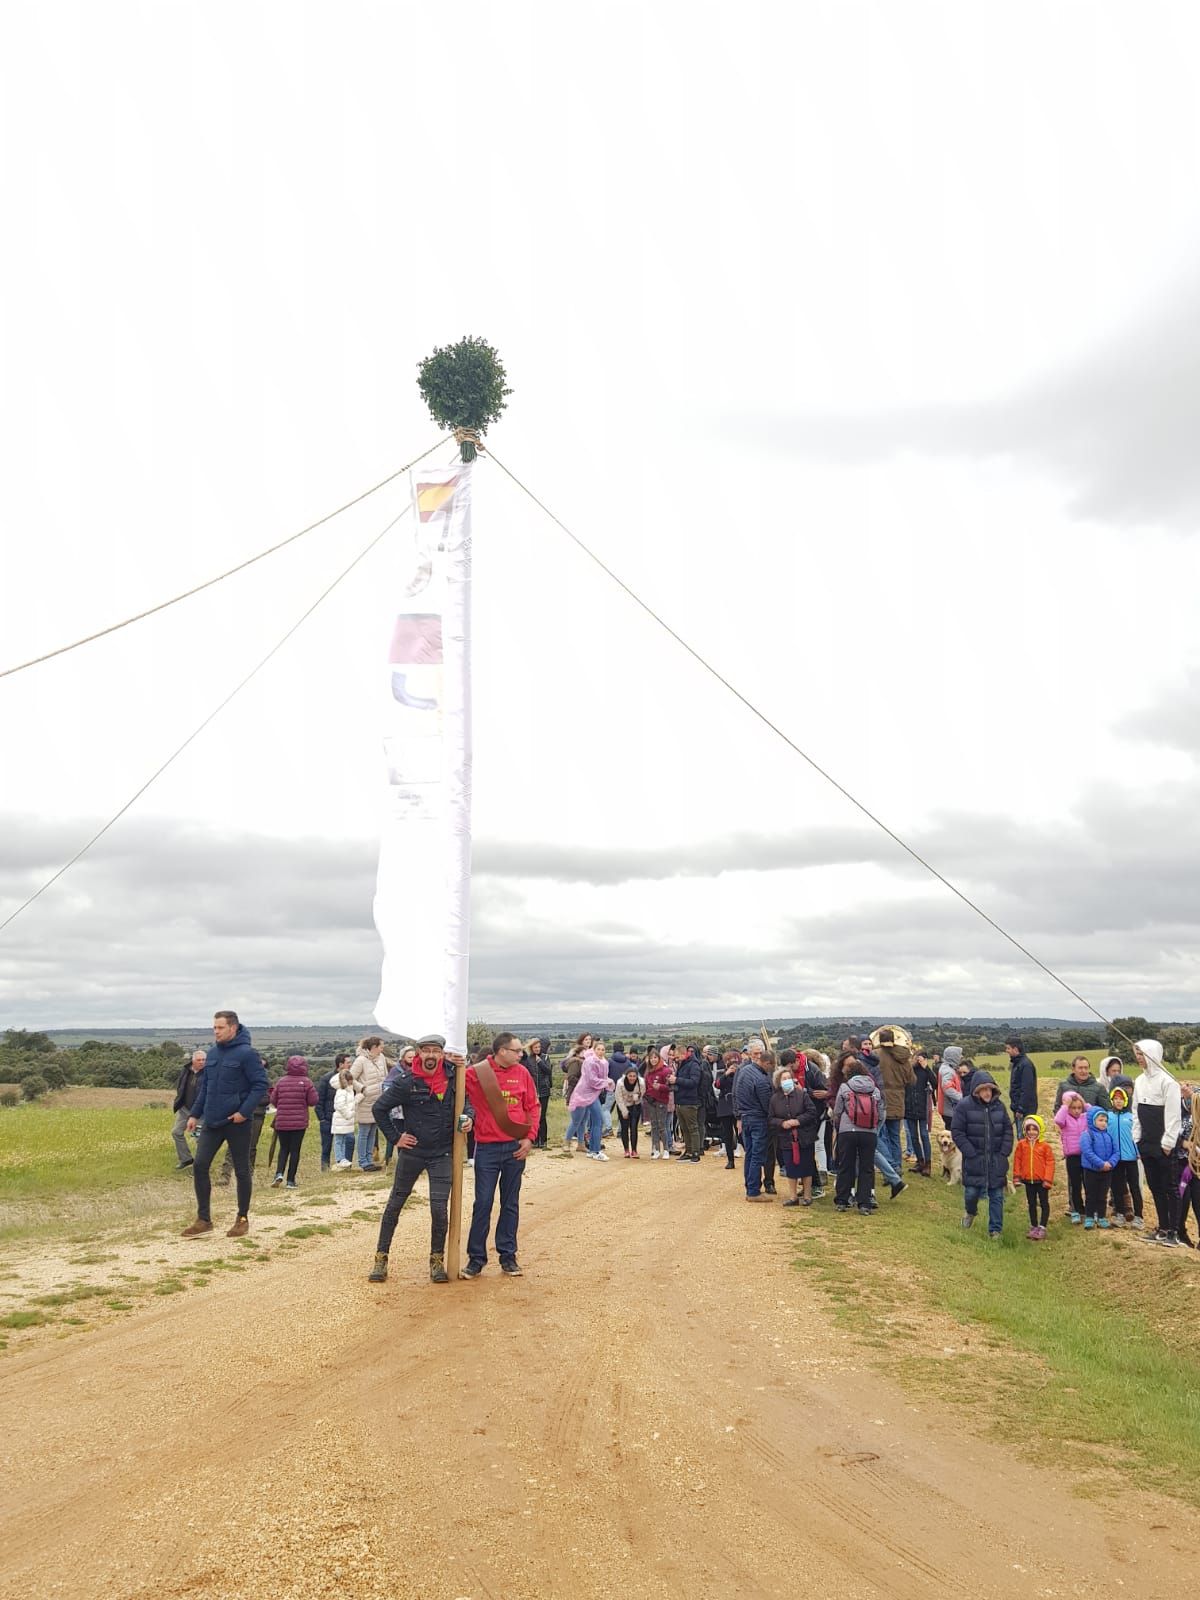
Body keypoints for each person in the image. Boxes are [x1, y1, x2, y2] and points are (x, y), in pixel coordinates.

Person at [368, 1032, 467, 1284]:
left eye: (436, 1051)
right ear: (419, 1053)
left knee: (438, 1209)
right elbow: (379, 1108)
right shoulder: (406, 1081)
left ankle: (436, 1261)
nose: (431, 1055)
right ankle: (381, 1258)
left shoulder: (456, 1076)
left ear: (442, 1053)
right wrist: (395, 1138)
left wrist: (468, 1118)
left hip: (443, 1153)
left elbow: (468, 1103)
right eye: (426, 1050)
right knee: (395, 1204)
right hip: (413, 1152)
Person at [182, 1011, 269, 1240]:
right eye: (214, 1028)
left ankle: (242, 1218)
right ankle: (204, 1220)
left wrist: (244, 1111)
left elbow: (260, 1085)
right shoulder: (212, 1054)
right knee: (200, 1165)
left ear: (233, 1028)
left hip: (237, 1122)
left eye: (220, 1028)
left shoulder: (247, 1054)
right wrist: (195, 1114)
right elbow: (207, 1088)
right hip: (212, 1120)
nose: (216, 1032)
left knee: (241, 1169)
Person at [463, 1032, 540, 1277]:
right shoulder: (476, 1074)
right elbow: (454, 1087)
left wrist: (530, 1138)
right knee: (483, 1203)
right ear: (501, 1051)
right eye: (516, 1050)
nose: (521, 1054)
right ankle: (476, 1259)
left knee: (510, 1203)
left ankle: (508, 1255)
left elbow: (533, 1107)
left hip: (515, 1148)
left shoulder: (523, 1073)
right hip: (486, 1148)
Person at [950, 1070, 1013, 1238]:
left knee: (997, 1195)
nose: (987, 1092)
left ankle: (995, 1230)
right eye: (983, 1089)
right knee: (971, 1193)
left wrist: (1003, 1153)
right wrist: (970, 1152)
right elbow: (957, 1131)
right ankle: (970, 1212)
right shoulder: (964, 1106)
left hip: (996, 1160)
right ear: (976, 1090)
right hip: (974, 1160)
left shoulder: (999, 1106)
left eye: (990, 1089)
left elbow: (1008, 1129)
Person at [1133, 1038, 1183, 1246]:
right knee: (1155, 1187)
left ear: (1152, 1055)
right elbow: (1136, 1111)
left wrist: (1168, 1143)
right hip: (1146, 1142)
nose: (1138, 1058)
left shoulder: (1168, 1082)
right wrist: (1136, 1137)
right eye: (1136, 1053)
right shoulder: (1139, 1081)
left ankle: (1174, 1231)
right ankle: (1162, 1228)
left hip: (1164, 1144)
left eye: (1141, 1053)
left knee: (1170, 1187)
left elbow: (1173, 1115)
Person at [831, 1061, 883, 1215]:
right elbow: (881, 1112)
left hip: (848, 1131)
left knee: (845, 1165)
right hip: (869, 1133)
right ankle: (864, 1203)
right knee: (866, 1168)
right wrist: (874, 1127)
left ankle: (842, 1200)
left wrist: (839, 1126)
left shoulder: (845, 1087)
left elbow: (837, 1111)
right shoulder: (875, 1089)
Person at [768, 1063, 821, 1206]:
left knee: (807, 1166)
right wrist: (782, 1123)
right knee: (790, 1168)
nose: (786, 1081)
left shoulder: (802, 1095)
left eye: (788, 1078)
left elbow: (812, 1112)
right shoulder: (774, 1099)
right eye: (783, 1078)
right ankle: (793, 1197)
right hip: (786, 1138)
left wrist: (797, 1121)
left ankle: (807, 1195)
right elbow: (771, 1118)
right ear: (778, 1082)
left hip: (804, 1137)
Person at [269, 1055, 318, 1188]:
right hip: (299, 1122)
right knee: (295, 1150)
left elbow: (273, 1100)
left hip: (282, 1121)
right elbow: (313, 1101)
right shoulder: (306, 1082)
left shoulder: (281, 1081)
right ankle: (291, 1180)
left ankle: (278, 1173)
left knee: (283, 1148)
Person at [734, 1044, 775, 1201]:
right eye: (771, 1066)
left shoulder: (744, 1071)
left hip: (745, 1117)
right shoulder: (761, 1080)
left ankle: (750, 1185)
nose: (771, 1070)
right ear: (766, 1063)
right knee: (757, 1155)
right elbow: (767, 1105)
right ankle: (753, 1191)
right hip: (758, 1119)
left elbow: (736, 1094)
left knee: (750, 1154)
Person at [875, 1028, 915, 1183]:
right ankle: (896, 1166)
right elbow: (912, 1080)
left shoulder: (877, 1055)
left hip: (882, 1099)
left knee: (880, 1136)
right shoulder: (904, 1057)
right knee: (895, 1137)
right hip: (898, 1099)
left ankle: (891, 1168)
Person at [1105, 1079, 1144, 1229]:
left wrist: (1138, 1152)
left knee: (1135, 1187)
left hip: (1131, 1158)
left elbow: (1137, 1134)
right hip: (1115, 1158)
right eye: (1116, 1099)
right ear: (1112, 1100)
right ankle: (1120, 1214)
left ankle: (1139, 1216)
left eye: (1121, 1099)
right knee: (1117, 1187)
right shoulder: (1109, 1116)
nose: (1118, 1101)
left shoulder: (1131, 1117)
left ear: (1126, 1100)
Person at [1013, 1114, 1054, 1239]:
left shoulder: (1045, 1146)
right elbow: (1017, 1160)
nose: (1031, 1132)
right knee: (1031, 1203)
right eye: (1028, 1129)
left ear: (1039, 1130)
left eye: (1034, 1129)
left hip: (1042, 1181)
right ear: (1025, 1130)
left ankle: (1042, 1226)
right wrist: (1017, 1176)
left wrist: (1047, 1179)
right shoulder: (1021, 1145)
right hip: (1028, 1180)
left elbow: (1050, 1163)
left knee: (1044, 1203)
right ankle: (1033, 1225)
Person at [568, 1042, 611, 1160]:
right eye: (598, 1049)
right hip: (586, 1094)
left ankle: (593, 1149)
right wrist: (606, 1082)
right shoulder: (590, 1061)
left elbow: (602, 1078)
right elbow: (592, 1080)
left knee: (595, 1122)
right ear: (594, 1050)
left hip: (593, 1094)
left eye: (603, 1049)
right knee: (597, 1120)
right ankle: (595, 1151)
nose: (601, 1051)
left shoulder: (604, 1062)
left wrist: (607, 1082)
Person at [351, 1037, 388, 1171]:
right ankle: (363, 1161)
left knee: (373, 1131)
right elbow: (350, 1077)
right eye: (380, 1046)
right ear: (373, 1047)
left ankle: (369, 1160)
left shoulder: (381, 1058)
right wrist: (362, 1089)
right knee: (364, 1131)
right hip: (366, 1101)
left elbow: (385, 1075)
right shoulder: (360, 1060)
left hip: (379, 1099)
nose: (382, 1049)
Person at [1080, 1105, 1118, 1230]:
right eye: (1100, 1120)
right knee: (1091, 1194)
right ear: (1092, 1120)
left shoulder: (1109, 1136)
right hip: (1091, 1171)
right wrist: (1101, 1164)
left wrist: (1110, 1163)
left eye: (1105, 1121)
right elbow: (1087, 1152)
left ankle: (1101, 1216)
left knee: (1103, 1195)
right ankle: (1090, 1217)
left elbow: (1116, 1152)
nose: (1104, 1123)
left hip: (1107, 1171)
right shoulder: (1087, 1135)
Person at [1054, 1092, 1089, 1223]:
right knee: (1075, 1185)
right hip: (1072, 1156)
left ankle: (1088, 1210)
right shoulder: (1065, 1119)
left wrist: (1085, 1104)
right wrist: (1065, 1105)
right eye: (1073, 1108)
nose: (1076, 1111)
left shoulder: (1085, 1117)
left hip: (1086, 1155)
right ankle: (1076, 1210)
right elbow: (1057, 1120)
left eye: (1079, 1108)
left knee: (1088, 1184)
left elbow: (1095, 1114)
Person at [170, 1049, 206, 1168]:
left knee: (199, 1138)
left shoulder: (208, 1074)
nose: (201, 1062)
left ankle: (200, 1166)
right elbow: (180, 1086)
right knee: (176, 1132)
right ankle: (186, 1159)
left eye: (204, 1060)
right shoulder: (186, 1071)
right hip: (184, 1109)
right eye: (199, 1060)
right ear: (193, 1061)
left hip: (201, 1112)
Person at [904, 1050, 936, 1176]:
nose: (918, 1060)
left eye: (921, 1058)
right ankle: (920, 1161)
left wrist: (926, 1068)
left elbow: (935, 1083)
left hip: (922, 1107)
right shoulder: (908, 1070)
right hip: (909, 1106)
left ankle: (928, 1164)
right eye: (916, 1057)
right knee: (913, 1136)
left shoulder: (925, 1071)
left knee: (924, 1135)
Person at [315, 1054, 349, 1170]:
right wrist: (322, 1118)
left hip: (343, 1117)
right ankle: (325, 1167)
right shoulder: (327, 1078)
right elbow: (319, 1099)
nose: (350, 1065)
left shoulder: (349, 1078)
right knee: (326, 1144)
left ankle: (345, 1165)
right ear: (340, 1064)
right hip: (328, 1117)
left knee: (347, 1141)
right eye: (348, 1062)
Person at [672, 1043, 703, 1162]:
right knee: (684, 1128)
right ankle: (688, 1151)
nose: (676, 1058)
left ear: (684, 1054)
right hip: (680, 1100)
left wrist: (677, 1080)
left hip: (690, 1101)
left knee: (692, 1128)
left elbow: (694, 1082)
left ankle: (695, 1152)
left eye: (678, 1056)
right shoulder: (682, 1064)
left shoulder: (694, 1065)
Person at [644, 1048, 674, 1160]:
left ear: (659, 1058)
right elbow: (646, 1087)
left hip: (662, 1101)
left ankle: (666, 1149)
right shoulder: (648, 1072)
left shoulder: (665, 1071)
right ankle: (656, 1149)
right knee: (654, 1126)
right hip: (651, 1101)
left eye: (655, 1057)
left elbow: (671, 1087)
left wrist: (660, 1087)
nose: (653, 1060)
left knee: (662, 1126)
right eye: (651, 1058)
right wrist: (647, 1095)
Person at [714, 1051, 741, 1169]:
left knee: (741, 1133)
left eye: (735, 1061)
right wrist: (727, 1074)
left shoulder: (742, 1072)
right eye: (729, 1061)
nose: (732, 1064)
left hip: (737, 1106)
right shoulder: (722, 1073)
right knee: (727, 1134)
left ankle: (745, 1152)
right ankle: (730, 1160)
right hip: (725, 1107)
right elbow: (717, 1084)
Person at [331, 1064, 361, 1168]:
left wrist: (358, 1098)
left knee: (343, 1140)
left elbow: (350, 1103)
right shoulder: (341, 1092)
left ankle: (343, 1158)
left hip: (345, 1121)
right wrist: (348, 1114)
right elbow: (340, 1105)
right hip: (341, 1120)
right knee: (339, 1140)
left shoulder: (348, 1091)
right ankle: (340, 1158)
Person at [1006, 1036, 1038, 1131]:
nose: (1006, 1051)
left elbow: (1027, 1089)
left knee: (1025, 1138)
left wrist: (1021, 1109)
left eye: (1008, 1048)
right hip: (1019, 1109)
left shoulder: (1025, 1065)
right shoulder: (1018, 1063)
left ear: (1015, 1049)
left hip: (1025, 1111)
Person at [526, 1037, 553, 1148]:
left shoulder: (545, 1057)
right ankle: (535, 1139)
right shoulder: (528, 1059)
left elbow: (548, 1071)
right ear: (531, 1048)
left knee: (542, 1116)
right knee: (534, 1116)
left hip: (544, 1090)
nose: (537, 1049)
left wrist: (540, 1062)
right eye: (535, 1047)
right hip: (532, 1091)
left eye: (539, 1047)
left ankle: (543, 1140)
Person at [614, 1062, 643, 1157]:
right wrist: (624, 1111)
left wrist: (638, 1097)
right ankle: (626, 1149)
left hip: (635, 1105)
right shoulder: (620, 1083)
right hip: (623, 1104)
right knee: (624, 1127)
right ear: (626, 1076)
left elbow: (642, 1093)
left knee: (634, 1127)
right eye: (630, 1076)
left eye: (634, 1076)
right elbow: (618, 1098)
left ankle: (634, 1150)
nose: (632, 1078)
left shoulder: (641, 1082)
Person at [937, 1045, 964, 1131]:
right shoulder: (948, 1071)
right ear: (953, 1056)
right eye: (959, 1055)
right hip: (949, 1109)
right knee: (952, 1133)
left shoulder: (947, 1068)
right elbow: (947, 1089)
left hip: (947, 1109)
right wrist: (961, 1097)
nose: (961, 1057)